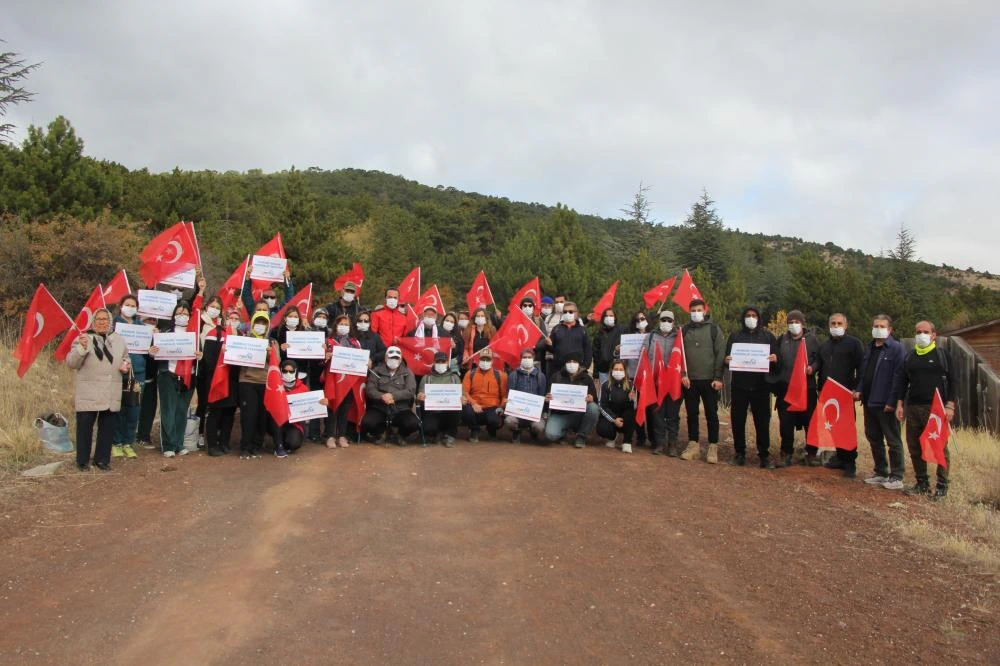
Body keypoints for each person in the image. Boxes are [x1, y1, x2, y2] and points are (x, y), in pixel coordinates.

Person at [896, 321, 955, 498]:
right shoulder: (910, 356)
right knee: (914, 446)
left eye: (925, 331)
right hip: (913, 407)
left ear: (933, 334)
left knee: (939, 447)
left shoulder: (942, 355)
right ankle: (922, 483)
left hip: (935, 409)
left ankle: (942, 486)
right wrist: (900, 404)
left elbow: (953, 381)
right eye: (918, 331)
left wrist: (950, 405)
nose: (922, 334)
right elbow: (903, 382)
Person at [67, 308, 130, 471]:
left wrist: (126, 365)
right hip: (89, 392)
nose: (102, 322)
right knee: (85, 428)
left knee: (107, 428)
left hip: (111, 391)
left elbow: (126, 358)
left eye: (105, 319)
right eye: (98, 319)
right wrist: (81, 348)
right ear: (93, 321)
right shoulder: (83, 338)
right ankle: (82, 461)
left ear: (110, 321)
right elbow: (72, 363)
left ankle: (102, 460)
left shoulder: (119, 340)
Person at [855, 314, 907, 490]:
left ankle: (897, 476)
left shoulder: (896, 349)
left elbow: (899, 377)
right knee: (873, 437)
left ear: (890, 330)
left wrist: (892, 401)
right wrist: (859, 389)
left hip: (885, 403)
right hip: (869, 401)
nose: (878, 328)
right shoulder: (869, 347)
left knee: (893, 439)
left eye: (882, 326)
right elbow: (864, 373)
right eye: (875, 325)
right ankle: (880, 472)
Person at [724, 306, 778, 468]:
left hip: (761, 387)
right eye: (748, 315)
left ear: (759, 318)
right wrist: (726, 361)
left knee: (762, 422)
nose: (751, 318)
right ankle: (739, 453)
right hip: (740, 386)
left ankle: (764, 455)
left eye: (754, 315)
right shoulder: (735, 336)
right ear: (743, 318)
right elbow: (727, 362)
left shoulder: (768, 337)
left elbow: (776, 364)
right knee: (738, 421)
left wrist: (776, 359)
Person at [767, 309, 820, 468]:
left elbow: (819, 360)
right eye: (790, 322)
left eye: (796, 322)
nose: (793, 325)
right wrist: (774, 360)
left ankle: (811, 454)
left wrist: (813, 368)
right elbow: (775, 359)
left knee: (809, 422)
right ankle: (786, 453)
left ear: (803, 324)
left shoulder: (811, 340)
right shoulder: (782, 339)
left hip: (807, 388)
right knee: (786, 423)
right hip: (786, 388)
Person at [150, 302, 201, 458]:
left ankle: (179, 443)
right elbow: (153, 352)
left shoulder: (194, 333)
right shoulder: (164, 332)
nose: (182, 316)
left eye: (186, 314)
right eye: (179, 313)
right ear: (173, 315)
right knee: (168, 411)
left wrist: (200, 355)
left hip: (188, 376)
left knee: (181, 411)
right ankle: (168, 445)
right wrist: (152, 351)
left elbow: (200, 354)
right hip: (168, 374)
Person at [817, 313, 865, 477]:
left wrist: (857, 388)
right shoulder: (824, 346)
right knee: (833, 427)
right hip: (828, 395)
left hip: (846, 394)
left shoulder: (854, 344)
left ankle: (850, 462)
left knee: (847, 428)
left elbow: (862, 368)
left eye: (839, 323)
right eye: (833, 323)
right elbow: (821, 367)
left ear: (846, 326)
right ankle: (840, 456)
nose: (836, 326)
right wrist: (819, 390)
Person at [678, 299, 726, 464]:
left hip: (710, 381)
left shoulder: (714, 329)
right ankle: (693, 445)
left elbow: (720, 354)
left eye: (699, 310)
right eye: (693, 310)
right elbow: (679, 354)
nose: (696, 313)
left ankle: (713, 446)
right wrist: (683, 374)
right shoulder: (684, 330)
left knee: (711, 414)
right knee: (692, 413)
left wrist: (718, 377)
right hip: (689, 380)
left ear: (705, 310)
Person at [237, 311, 277, 459]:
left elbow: (276, 362)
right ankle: (245, 447)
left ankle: (256, 446)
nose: (260, 326)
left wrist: (269, 354)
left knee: (262, 416)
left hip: (265, 383)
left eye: (263, 323)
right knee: (249, 415)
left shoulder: (272, 342)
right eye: (258, 323)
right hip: (247, 381)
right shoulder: (244, 340)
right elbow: (236, 358)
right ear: (252, 324)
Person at [111, 294, 146, 459]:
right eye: (127, 304)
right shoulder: (114, 326)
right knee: (118, 409)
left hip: (138, 373)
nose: (130, 307)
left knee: (134, 410)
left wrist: (152, 350)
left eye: (133, 305)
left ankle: (128, 442)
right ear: (121, 306)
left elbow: (148, 349)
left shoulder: (142, 327)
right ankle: (116, 443)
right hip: (119, 373)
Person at [643, 310, 683, 455]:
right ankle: (659, 443)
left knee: (672, 414)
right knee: (657, 414)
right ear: (659, 321)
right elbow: (644, 356)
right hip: (656, 382)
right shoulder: (651, 336)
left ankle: (672, 444)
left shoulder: (680, 338)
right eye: (663, 320)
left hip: (673, 382)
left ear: (673, 322)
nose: (666, 323)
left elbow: (683, 357)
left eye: (669, 320)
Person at [362, 346, 421, 444]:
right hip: (380, 407)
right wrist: (382, 396)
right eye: (391, 357)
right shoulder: (376, 371)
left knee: (413, 424)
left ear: (401, 359)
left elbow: (410, 391)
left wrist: (393, 396)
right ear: (385, 358)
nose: (394, 360)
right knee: (367, 423)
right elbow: (370, 390)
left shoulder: (408, 373)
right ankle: (381, 433)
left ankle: (400, 434)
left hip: (401, 408)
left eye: (396, 358)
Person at [270, 359, 328, 458]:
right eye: (285, 371)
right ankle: (278, 446)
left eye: (291, 371)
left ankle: (284, 442)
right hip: (276, 422)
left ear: (296, 372)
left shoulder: (303, 388)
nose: (288, 374)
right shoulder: (275, 386)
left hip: (294, 424)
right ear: (280, 371)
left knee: (294, 444)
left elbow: (311, 403)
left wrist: (321, 402)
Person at [204, 307, 242, 457]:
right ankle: (212, 444)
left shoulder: (241, 336)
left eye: (236, 318)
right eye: (230, 318)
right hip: (217, 379)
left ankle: (224, 442)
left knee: (229, 413)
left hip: (233, 380)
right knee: (215, 412)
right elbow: (208, 358)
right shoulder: (214, 333)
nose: (233, 321)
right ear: (225, 318)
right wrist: (222, 355)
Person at [544, 351, 599, 448]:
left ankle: (581, 436)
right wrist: (548, 399)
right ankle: (563, 432)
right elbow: (548, 397)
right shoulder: (556, 377)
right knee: (550, 435)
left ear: (579, 364)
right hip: (560, 415)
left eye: (574, 361)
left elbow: (595, 401)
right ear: (565, 363)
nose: (572, 364)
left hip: (579, 415)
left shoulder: (586, 378)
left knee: (593, 408)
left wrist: (591, 398)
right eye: (569, 361)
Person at [325, 314, 361, 448]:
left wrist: (366, 361)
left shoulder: (355, 343)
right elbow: (320, 362)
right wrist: (325, 357)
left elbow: (360, 359)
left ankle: (341, 435)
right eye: (341, 324)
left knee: (345, 409)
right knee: (332, 407)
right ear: (336, 325)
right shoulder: (328, 341)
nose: (344, 327)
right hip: (333, 379)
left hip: (349, 381)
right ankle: (329, 436)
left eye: (346, 324)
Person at [194, 295, 224, 448]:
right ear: (206, 307)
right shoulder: (200, 322)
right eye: (212, 306)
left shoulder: (222, 325)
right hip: (203, 368)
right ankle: (199, 434)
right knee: (203, 403)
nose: (215, 310)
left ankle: (214, 433)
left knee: (216, 404)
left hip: (218, 369)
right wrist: (200, 291)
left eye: (218, 307)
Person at [461, 347, 507, 442]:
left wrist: (501, 407)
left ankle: (492, 429)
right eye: (483, 359)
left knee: (494, 420)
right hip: (474, 406)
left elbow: (504, 395)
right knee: (465, 410)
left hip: (492, 407)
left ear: (492, 361)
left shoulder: (500, 375)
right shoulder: (470, 374)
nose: (485, 361)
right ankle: (474, 429)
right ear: (478, 360)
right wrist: (473, 403)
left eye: (488, 359)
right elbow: (464, 392)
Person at [417, 351, 462, 447]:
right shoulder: (426, 378)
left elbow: (459, 395)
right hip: (433, 411)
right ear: (434, 363)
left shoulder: (454, 378)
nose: (440, 364)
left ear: (447, 363)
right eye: (438, 361)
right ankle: (437, 433)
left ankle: (450, 435)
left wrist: (462, 399)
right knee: (428, 428)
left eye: (443, 361)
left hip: (449, 412)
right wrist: (420, 396)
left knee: (458, 408)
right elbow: (420, 397)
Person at [504, 348, 547, 443]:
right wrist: (508, 402)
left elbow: (542, 395)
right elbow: (510, 394)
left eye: (529, 357)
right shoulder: (513, 375)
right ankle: (516, 431)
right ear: (521, 359)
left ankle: (533, 432)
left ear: (533, 358)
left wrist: (544, 403)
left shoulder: (541, 376)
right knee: (509, 421)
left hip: (534, 413)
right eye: (524, 357)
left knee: (539, 426)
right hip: (517, 412)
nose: (527, 359)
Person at [597, 360, 637, 453]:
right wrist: (614, 419)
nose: (618, 371)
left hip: (625, 419)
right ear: (611, 371)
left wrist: (634, 399)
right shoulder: (605, 385)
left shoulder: (631, 386)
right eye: (616, 369)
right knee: (601, 428)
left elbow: (635, 408)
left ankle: (627, 442)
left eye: (620, 369)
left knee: (631, 413)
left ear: (625, 371)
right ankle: (612, 437)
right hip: (611, 418)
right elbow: (602, 406)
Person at [545, 301, 592, 376]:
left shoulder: (582, 330)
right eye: (565, 311)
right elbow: (551, 349)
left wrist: (584, 367)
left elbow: (588, 350)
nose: (567, 313)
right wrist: (548, 345)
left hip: (577, 370)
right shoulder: (556, 329)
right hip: (559, 369)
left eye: (570, 311)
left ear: (576, 313)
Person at [135, 314, 160, 450]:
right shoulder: (134, 334)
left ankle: (144, 436)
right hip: (137, 378)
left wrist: (157, 338)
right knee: (133, 408)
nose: (150, 322)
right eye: (147, 319)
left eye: (153, 320)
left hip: (151, 379)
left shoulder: (159, 335)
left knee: (149, 409)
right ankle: (130, 435)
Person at [593, 308, 625, 386]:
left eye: (611, 315)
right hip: (603, 370)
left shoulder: (622, 330)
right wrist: (595, 373)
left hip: (618, 369)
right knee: (605, 392)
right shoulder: (599, 334)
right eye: (606, 316)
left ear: (615, 317)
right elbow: (596, 354)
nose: (609, 317)